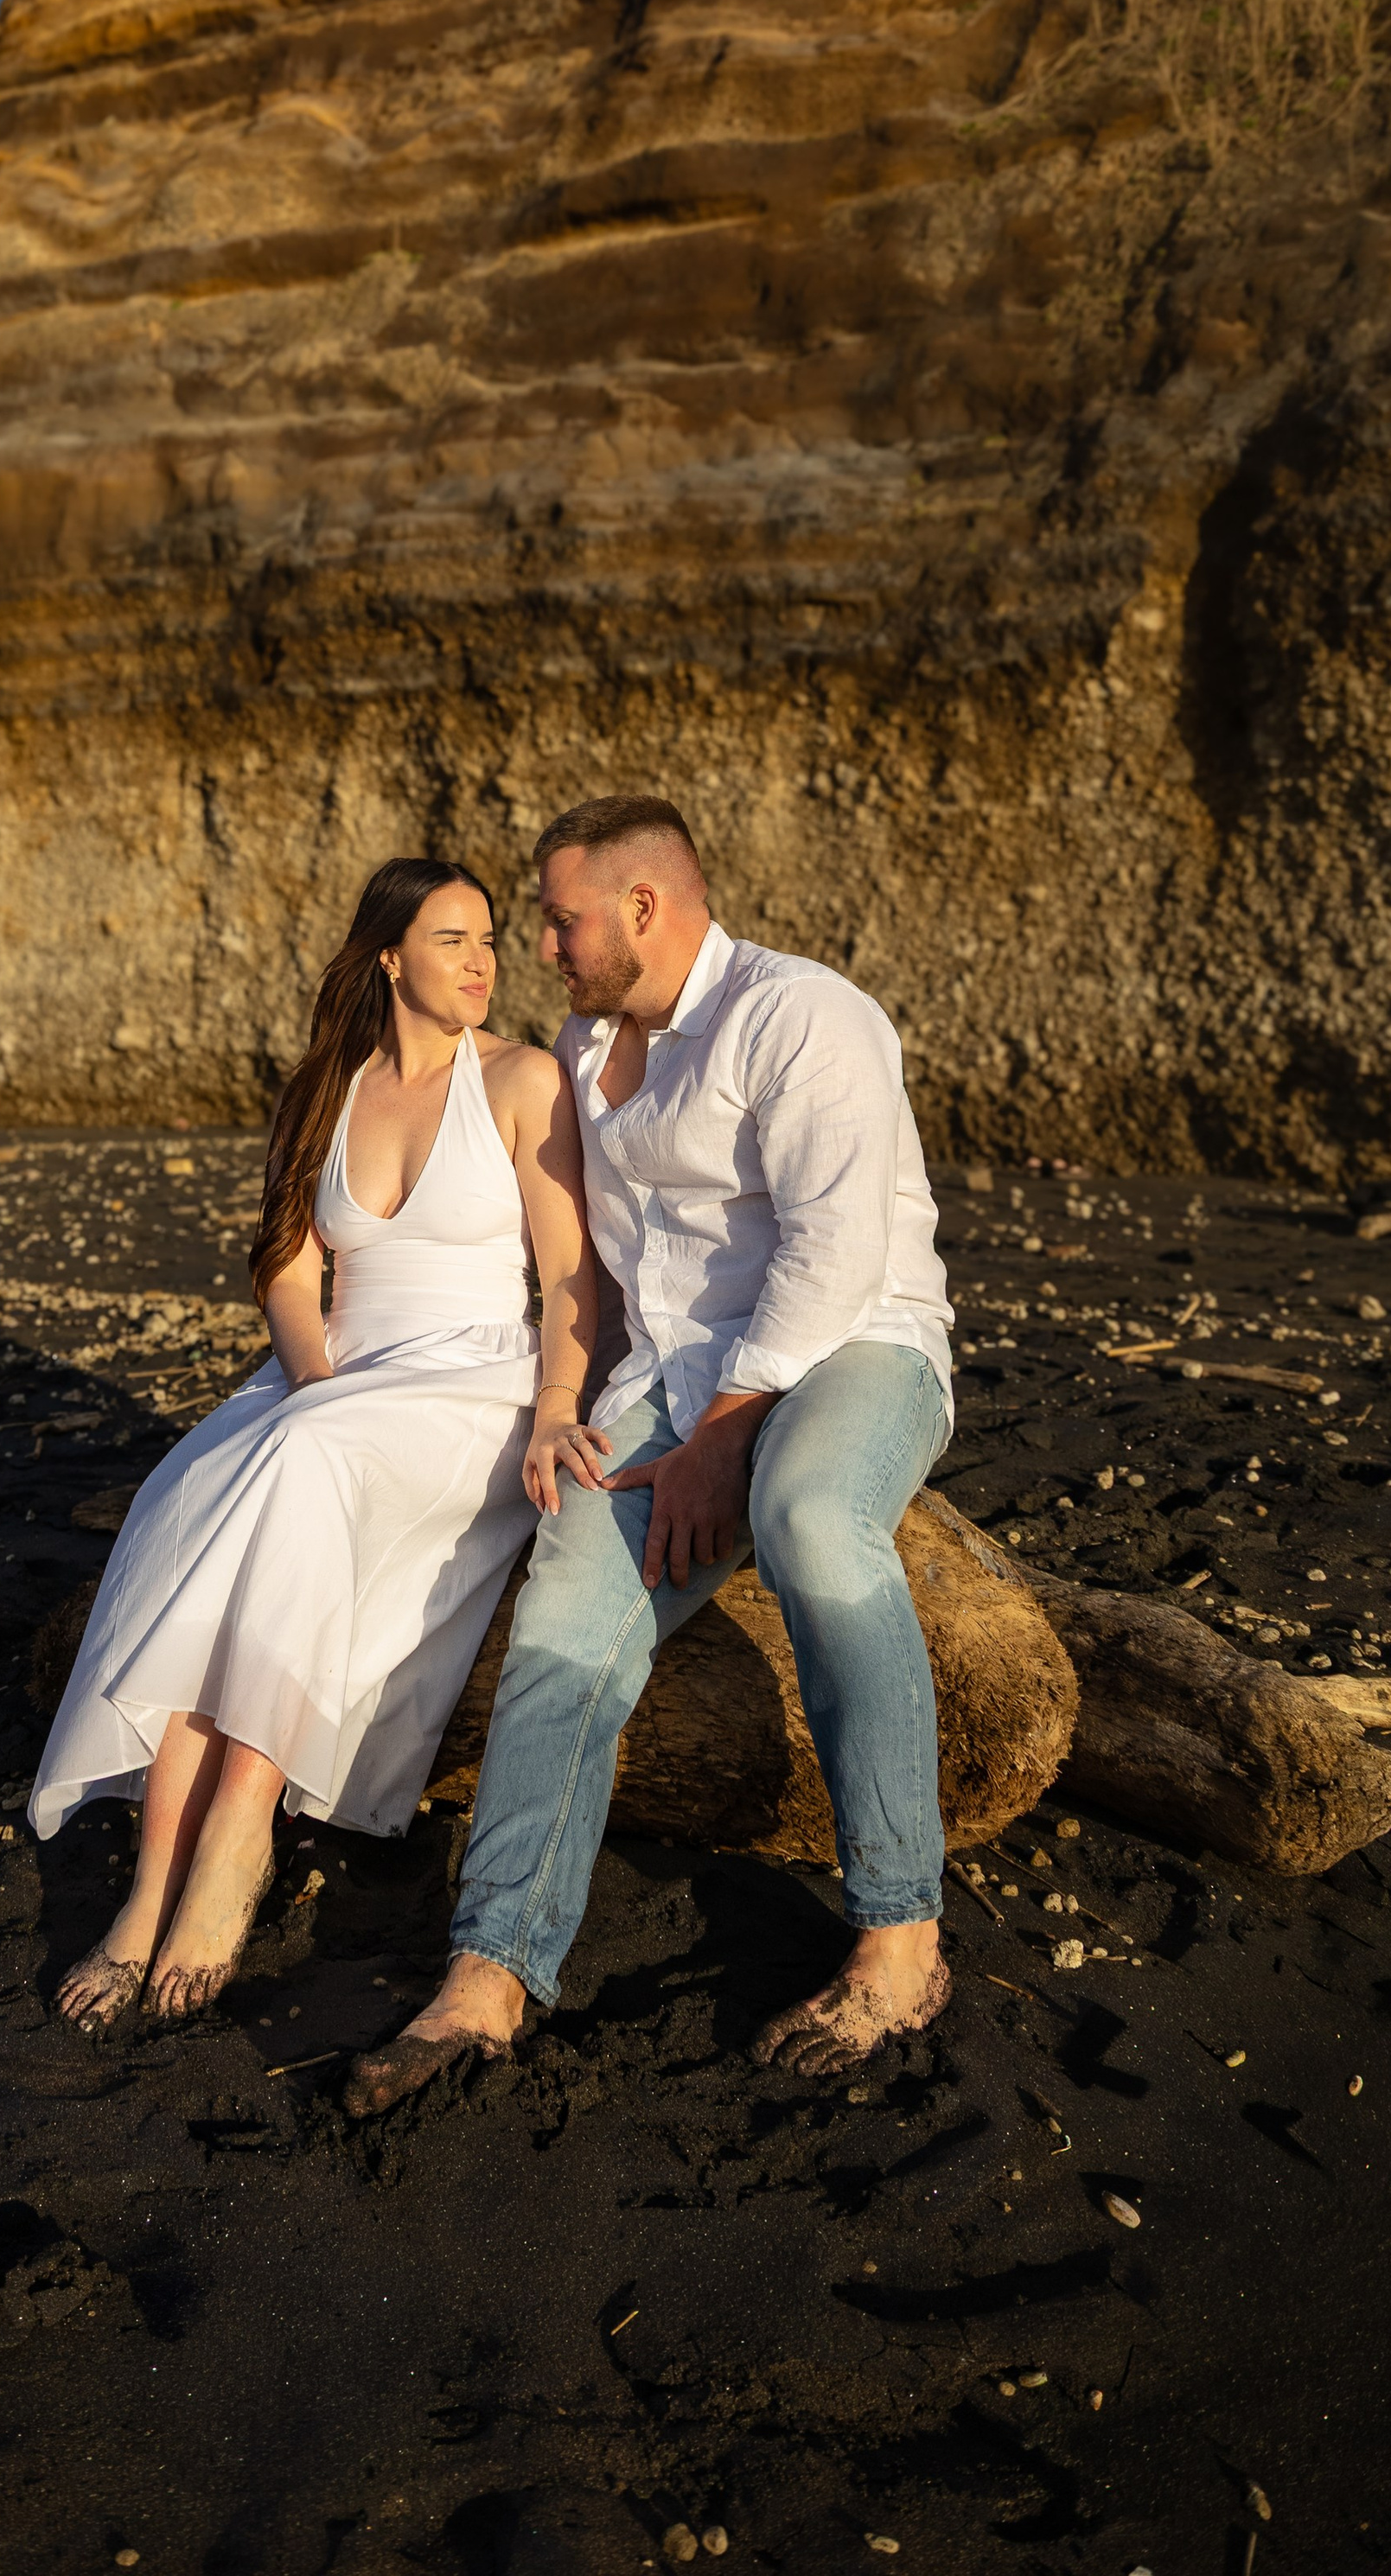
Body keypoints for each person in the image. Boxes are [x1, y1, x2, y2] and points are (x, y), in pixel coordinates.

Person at [348, 792, 956, 2112]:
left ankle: (902, 1935)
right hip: (668, 1377)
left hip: (858, 1343)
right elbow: (593, 1272)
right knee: (568, 1585)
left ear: (643, 906)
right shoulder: (583, 1047)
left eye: (561, 919)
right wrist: (574, 1407)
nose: (544, 947)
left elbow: (833, 1253)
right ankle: (491, 1968)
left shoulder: (803, 1014)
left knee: (805, 1514)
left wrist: (725, 1436)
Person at [30, 854, 606, 2027]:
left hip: (472, 1384)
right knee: (195, 1490)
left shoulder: (521, 1081)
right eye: (454, 938)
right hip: (338, 1375)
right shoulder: (323, 1092)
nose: (486, 958)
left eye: (491, 936)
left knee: (297, 1468)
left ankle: (239, 1826)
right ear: (390, 955)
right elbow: (290, 1270)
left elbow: (567, 1274)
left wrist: (558, 1403)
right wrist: (315, 1380)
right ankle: (147, 1894)